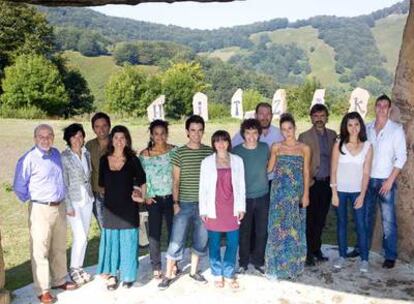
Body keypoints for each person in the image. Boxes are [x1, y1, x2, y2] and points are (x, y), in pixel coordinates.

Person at [13, 124, 77, 304]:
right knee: (39, 250)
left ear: (53, 137)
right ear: (35, 138)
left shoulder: (56, 154)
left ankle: (60, 279)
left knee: (58, 246)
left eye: (49, 135)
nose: (45, 139)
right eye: (41, 136)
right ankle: (43, 290)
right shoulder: (28, 159)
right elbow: (19, 188)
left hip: (60, 206)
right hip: (40, 209)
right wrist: (36, 200)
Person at [158, 115, 213, 290]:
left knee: (201, 238)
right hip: (183, 204)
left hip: (204, 206)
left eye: (199, 130)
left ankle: (194, 271)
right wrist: (175, 203)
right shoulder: (179, 153)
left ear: (203, 131)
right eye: (193, 130)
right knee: (176, 239)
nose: (196, 134)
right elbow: (175, 181)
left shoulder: (208, 152)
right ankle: (168, 275)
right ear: (187, 132)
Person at [96, 125, 146, 290]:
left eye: (122, 138)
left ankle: (128, 275)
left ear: (127, 140)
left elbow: (142, 181)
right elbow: (102, 185)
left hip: (129, 209)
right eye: (116, 138)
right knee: (112, 243)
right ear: (112, 140)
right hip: (110, 209)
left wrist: (140, 194)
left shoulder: (133, 160)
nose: (119, 141)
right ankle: (111, 275)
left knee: (128, 242)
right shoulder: (104, 160)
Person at [363, 95, 407, 268]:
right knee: (365, 217)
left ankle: (390, 255)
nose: (381, 108)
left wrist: (390, 180)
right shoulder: (367, 128)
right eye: (379, 105)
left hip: (385, 181)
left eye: (385, 106)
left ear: (389, 109)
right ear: (375, 107)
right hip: (368, 179)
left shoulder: (396, 129)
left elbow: (401, 157)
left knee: (388, 220)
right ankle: (362, 249)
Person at [265, 113, 310, 280]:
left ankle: (293, 267)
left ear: (294, 128)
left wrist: (306, 194)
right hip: (278, 195)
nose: (287, 132)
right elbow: (269, 169)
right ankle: (275, 268)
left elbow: (306, 172)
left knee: (294, 231)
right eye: (283, 129)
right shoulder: (276, 147)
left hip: (295, 195)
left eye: (289, 128)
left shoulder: (304, 148)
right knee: (277, 229)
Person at [199, 130, 246, 289]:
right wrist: (203, 210)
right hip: (213, 208)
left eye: (224, 140)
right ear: (213, 143)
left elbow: (241, 186)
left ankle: (229, 272)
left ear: (228, 143)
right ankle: (217, 273)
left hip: (232, 208)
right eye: (217, 141)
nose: (221, 144)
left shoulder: (238, 161)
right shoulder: (206, 162)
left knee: (233, 242)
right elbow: (203, 188)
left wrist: (242, 207)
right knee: (214, 243)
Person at [330, 112, 372, 272]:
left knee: (361, 225)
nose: (353, 128)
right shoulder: (339, 144)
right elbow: (333, 170)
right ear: (345, 127)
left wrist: (362, 194)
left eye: (356, 124)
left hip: (357, 192)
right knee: (342, 223)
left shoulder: (368, 146)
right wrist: (334, 192)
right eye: (350, 125)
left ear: (360, 126)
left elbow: (366, 173)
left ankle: (364, 259)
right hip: (340, 190)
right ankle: (342, 255)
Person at [298, 104, 337, 266]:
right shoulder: (304, 136)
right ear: (311, 118)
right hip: (312, 183)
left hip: (328, 183)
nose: (319, 119)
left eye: (322, 116)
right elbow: (300, 162)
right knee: (310, 220)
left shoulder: (333, 135)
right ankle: (306, 253)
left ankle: (316, 249)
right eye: (316, 116)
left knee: (321, 219)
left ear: (327, 117)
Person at [139, 120, 176, 279]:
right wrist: (145, 195)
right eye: (156, 134)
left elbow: (177, 176)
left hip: (171, 198)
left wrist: (177, 199)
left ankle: (173, 263)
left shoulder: (175, 151)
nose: (160, 137)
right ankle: (156, 265)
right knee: (154, 234)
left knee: (174, 233)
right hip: (153, 200)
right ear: (152, 135)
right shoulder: (144, 154)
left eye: (162, 133)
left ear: (166, 134)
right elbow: (142, 178)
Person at [232, 119, 269, 275]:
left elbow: (270, 166)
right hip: (244, 198)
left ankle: (259, 261)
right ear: (243, 134)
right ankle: (243, 262)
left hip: (262, 196)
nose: (251, 136)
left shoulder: (265, 148)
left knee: (261, 231)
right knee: (245, 232)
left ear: (259, 134)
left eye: (255, 133)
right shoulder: (236, 151)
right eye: (248, 133)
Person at [61, 123, 94, 285]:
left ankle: (79, 268)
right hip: (73, 202)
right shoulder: (64, 157)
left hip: (87, 199)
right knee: (80, 236)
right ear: (68, 139)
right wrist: (68, 205)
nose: (77, 139)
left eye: (80, 136)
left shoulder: (86, 154)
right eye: (73, 136)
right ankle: (74, 268)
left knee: (85, 237)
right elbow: (63, 183)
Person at [85, 112, 111, 229]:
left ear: (109, 126)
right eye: (97, 126)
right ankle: (109, 247)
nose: (101, 129)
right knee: (103, 226)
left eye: (104, 125)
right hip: (96, 193)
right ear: (93, 128)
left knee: (117, 226)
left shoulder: (118, 142)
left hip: (115, 193)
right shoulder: (89, 146)